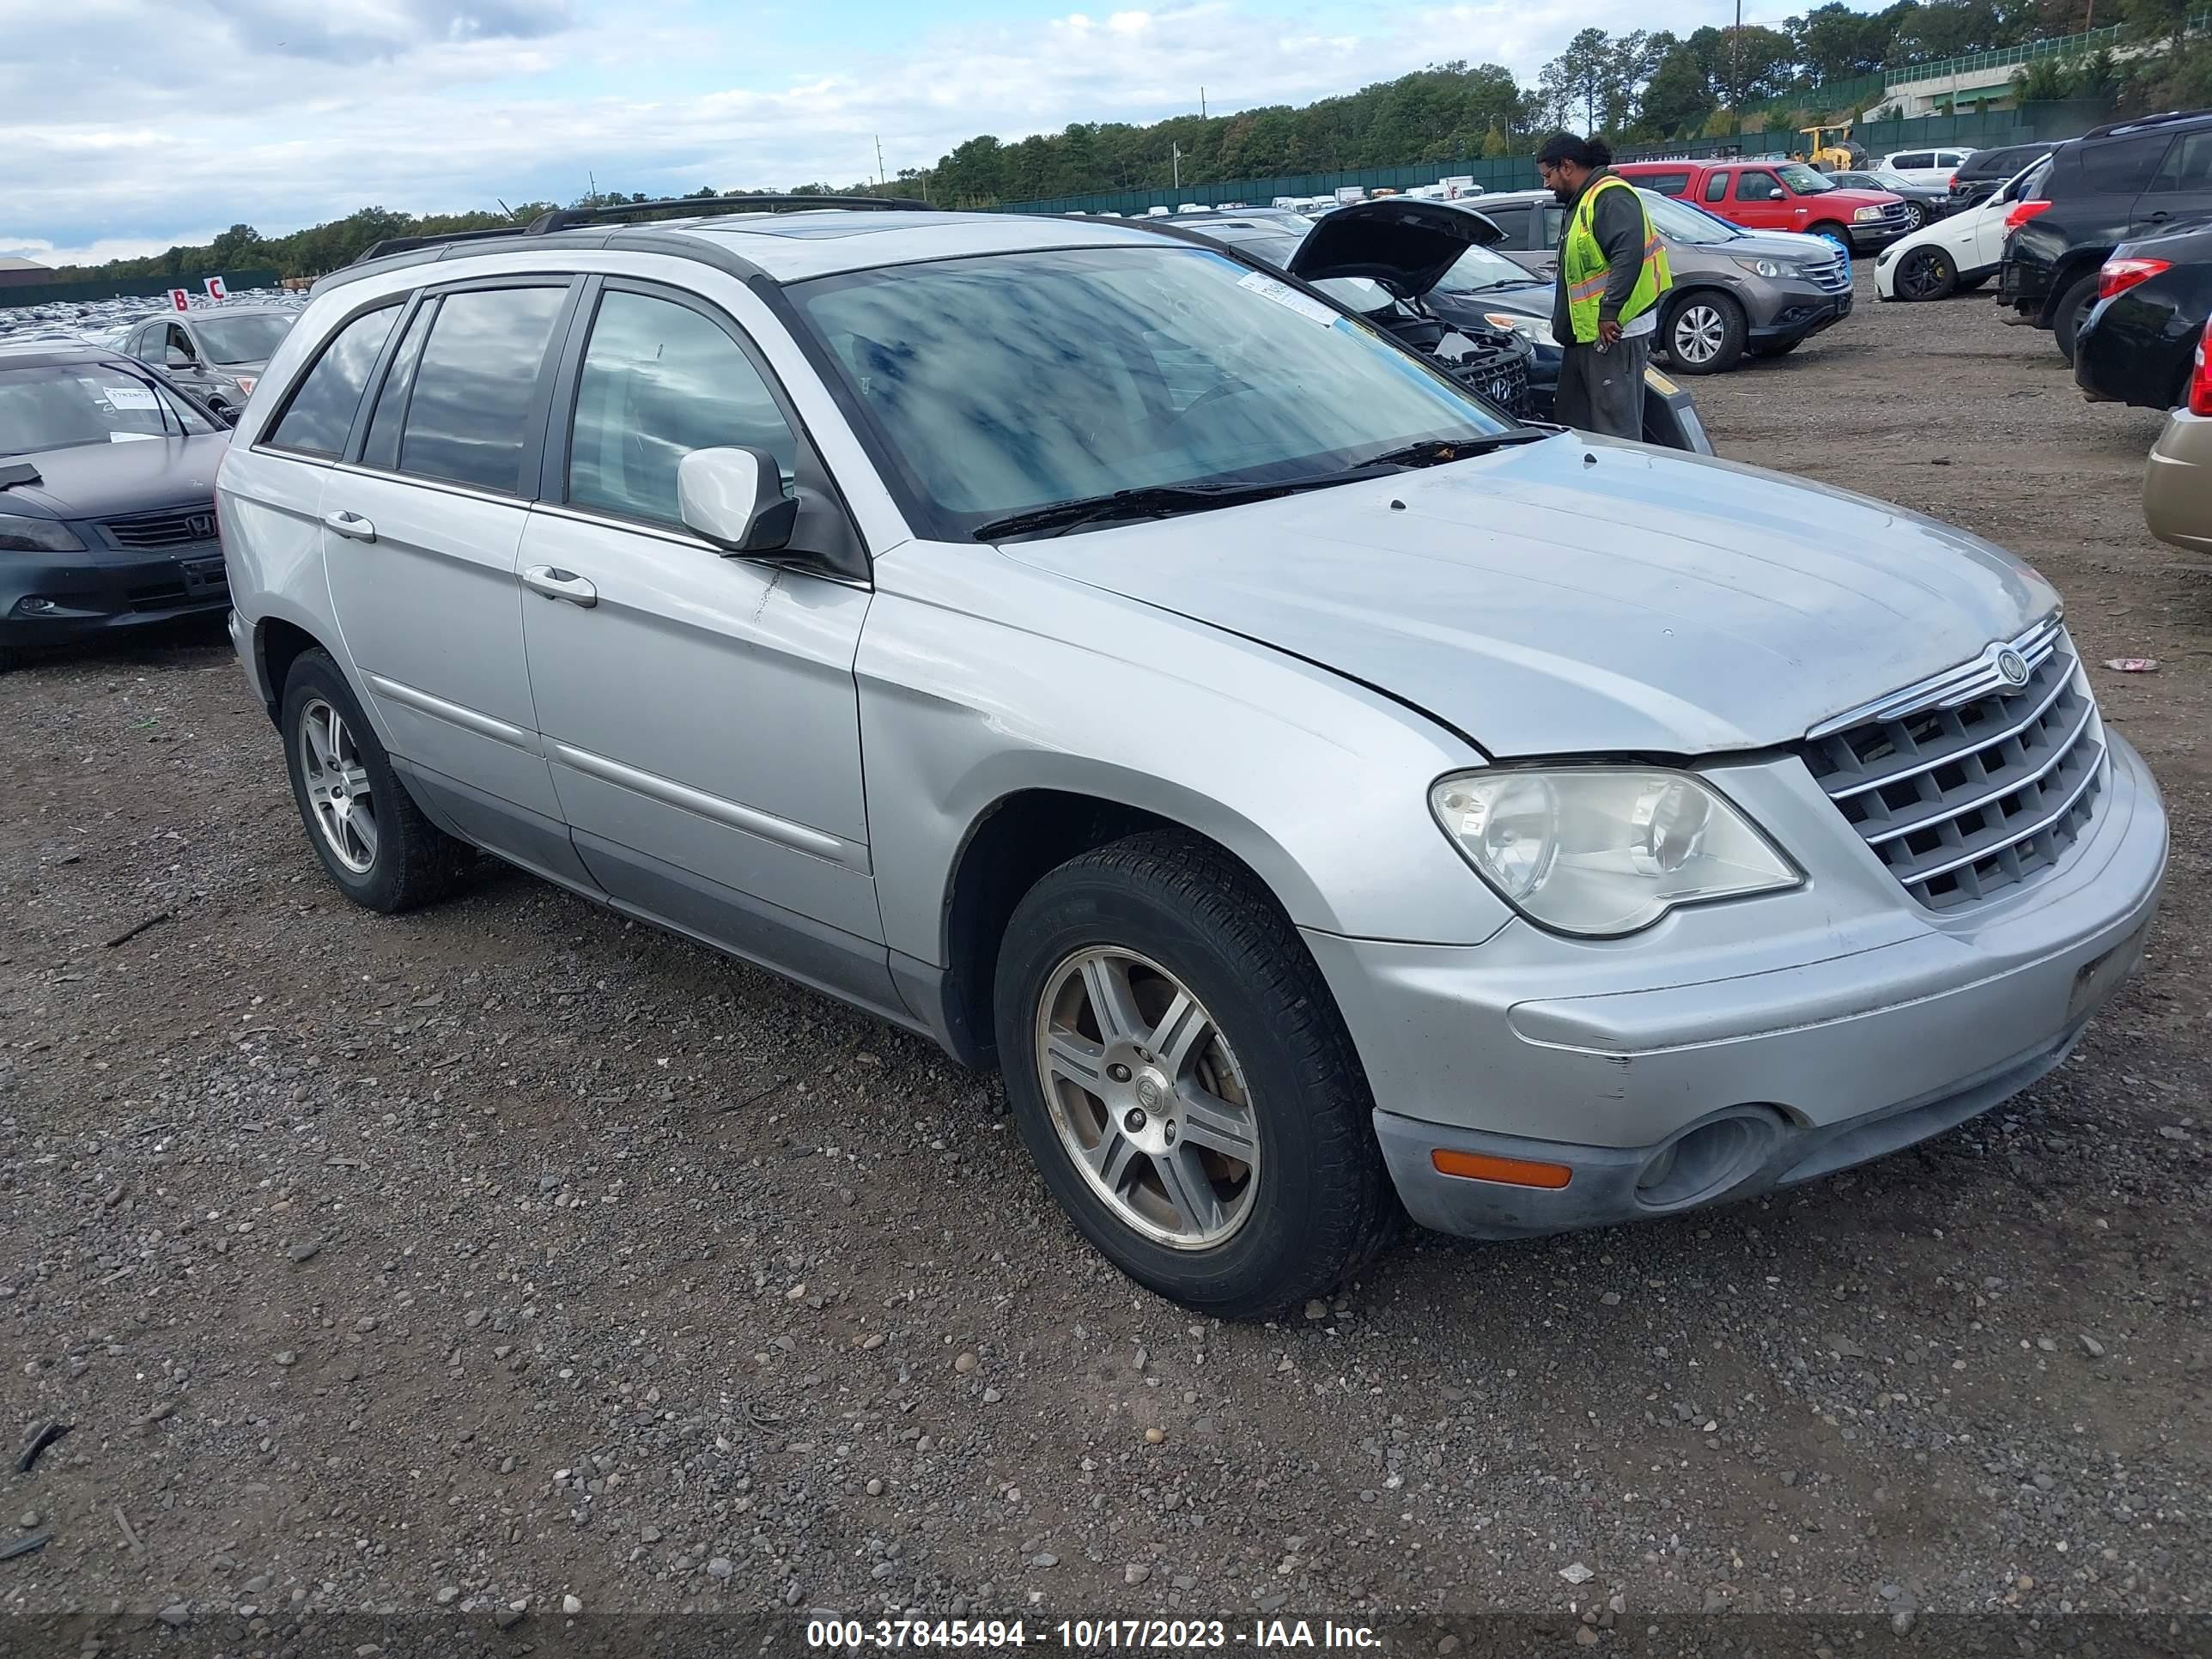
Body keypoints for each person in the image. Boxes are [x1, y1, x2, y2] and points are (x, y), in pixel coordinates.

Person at [1535, 132, 1672, 441]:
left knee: (1616, 428)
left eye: (1548, 175)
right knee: (1577, 422)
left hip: (1614, 333)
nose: (1546, 184)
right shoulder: (1583, 200)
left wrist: (1609, 312)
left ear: (1566, 166)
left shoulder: (1610, 196)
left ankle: (1623, 485)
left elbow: (1628, 254)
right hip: (1590, 334)